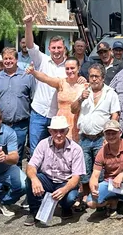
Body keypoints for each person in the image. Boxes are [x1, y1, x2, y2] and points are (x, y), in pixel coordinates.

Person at [25, 15, 81, 152]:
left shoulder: (69, 67)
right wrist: (28, 25)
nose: (56, 51)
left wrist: (81, 79)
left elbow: (75, 82)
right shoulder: (41, 60)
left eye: (59, 48)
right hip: (39, 113)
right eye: (54, 48)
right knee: (36, 151)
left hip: (58, 116)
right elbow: (30, 46)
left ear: (65, 48)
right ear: (48, 48)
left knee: (57, 151)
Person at [71, 64, 121, 207]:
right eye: (91, 76)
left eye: (96, 76)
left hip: (101, 137)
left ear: (103, 78)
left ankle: (100, 196)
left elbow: (115, 114)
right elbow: (73, 110)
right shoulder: (83, 92)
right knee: (85, 169)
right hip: (85, 137)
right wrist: (80, 99)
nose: (93, 79)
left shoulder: (110, 93)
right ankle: (87, 195)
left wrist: (110, 137)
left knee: (100, 170)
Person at [24, 116, 86, 226]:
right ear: (50, 131)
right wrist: (34, 179)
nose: (58, 134)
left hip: (65, 182)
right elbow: (31, 166)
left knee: (71, 197)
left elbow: (76, 177)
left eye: (62, 131)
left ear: (67, 131)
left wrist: (64, 189)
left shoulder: (76, 149)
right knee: (30, 178)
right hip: (47, 179)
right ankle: (34, 211)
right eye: (55, 131)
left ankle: (66, 207)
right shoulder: (43, 144)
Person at [86, 119, 123, 224]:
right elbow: (95, 175)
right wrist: (93, 187)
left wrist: (122, 175)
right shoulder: (102, 152)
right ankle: (111, 201)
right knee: (90, 203)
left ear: (120, 133)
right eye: (108, 133)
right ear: (104, 135)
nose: (111, 136)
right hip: (110, 184)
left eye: (114, 133)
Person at [0, 48, 36, 162]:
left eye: (11, 58)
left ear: (17, 59)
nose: (8, 61)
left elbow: (34, 100)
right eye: (5, 59)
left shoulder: (27, 77)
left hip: (20, 125)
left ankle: (15, 179)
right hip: (0, 125)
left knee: (16, 157)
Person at [27, 60, 86, 141]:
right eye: (67, 69)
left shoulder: (84, 85)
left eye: (72, 68)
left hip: (76, 121)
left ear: (78, 68)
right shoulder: (61, 82)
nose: (70, 71)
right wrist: (33, 72)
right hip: (61, 121)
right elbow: (46, 78)